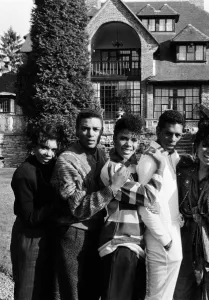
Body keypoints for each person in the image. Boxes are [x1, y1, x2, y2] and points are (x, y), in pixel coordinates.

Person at [51, 109, 132, 300]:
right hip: (75, 233)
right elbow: (78, 208)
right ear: (77, 130)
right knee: (73, 292)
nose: (91, 133)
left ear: (102, 131)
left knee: (94, 291)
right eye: (85, 128)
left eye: (96, 129)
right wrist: (112, 188)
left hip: (98, 231)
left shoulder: (101, 155)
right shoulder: (67, 160)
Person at [99, 114, 166, 300]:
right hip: (119, 244)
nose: (129, 144)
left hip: (135, 244)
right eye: (123, 138)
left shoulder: (135, 167)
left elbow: (148, 200)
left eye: (134, 139)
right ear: (114, 139)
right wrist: (160, 168)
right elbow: (148, 195)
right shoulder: (114, 169)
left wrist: (154, 203)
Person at [137, 110, 184, 300]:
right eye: (168, 133)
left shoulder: (172, 156)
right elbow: (143, 204)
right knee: (156, 297)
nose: (173, 138)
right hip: (160, 240)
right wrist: (165, 239)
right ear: (158, 131)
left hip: (173, 236)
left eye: (178, 135)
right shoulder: (150, 159)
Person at [10, 125, 59, 300]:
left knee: (47, 287)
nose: (49, 154)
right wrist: (58, 203)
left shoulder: (53, 165)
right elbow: (30, 218)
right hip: (30, 235)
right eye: (44, 147)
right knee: (28, 289)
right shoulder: (24, 173)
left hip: (49, 232)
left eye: (53, 149)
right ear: (33, 147)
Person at [174, 120, 209, 300]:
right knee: (182, 289)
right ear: (196, 147)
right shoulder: (184, 172)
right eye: (206, 145)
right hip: (184, 238)